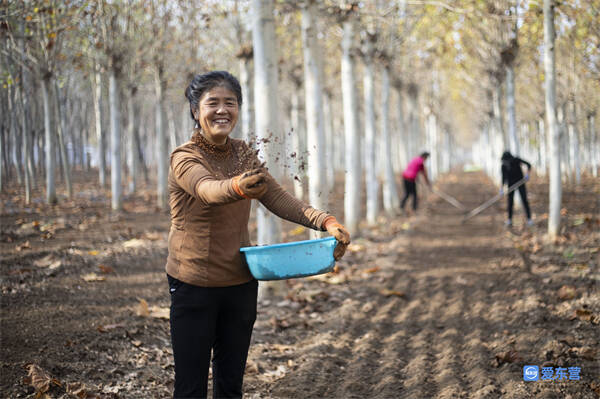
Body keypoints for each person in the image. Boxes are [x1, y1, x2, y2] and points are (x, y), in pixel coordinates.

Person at [165, 71, 351, 399]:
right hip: (194, 285)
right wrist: (236, 186)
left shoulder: (243, 154)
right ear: (196, 110)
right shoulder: (184, 157)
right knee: (191, 387)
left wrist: (326, 222)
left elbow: (279, 199)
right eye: (213, 103)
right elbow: (207, 189)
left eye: (230, 103)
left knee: (231, 383)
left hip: (239, 283)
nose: (222, 110)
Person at [500, 151, 533, 226]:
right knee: (510, 202)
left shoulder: (516, 160)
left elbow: (528, 165)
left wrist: (527, 174)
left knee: (524, 200)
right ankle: (509, 220)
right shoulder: (503, 166)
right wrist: (501, 188)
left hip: (520, 182)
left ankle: (529, 219)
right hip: (511, 185)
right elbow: (503, 178)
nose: (506, 162)